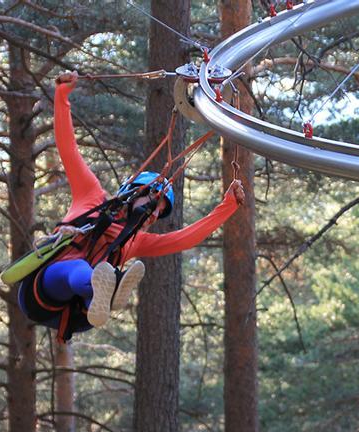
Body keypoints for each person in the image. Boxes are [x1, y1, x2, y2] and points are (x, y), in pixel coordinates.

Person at [18, 71, 244, 342]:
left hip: (79, 314)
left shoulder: (135, 241)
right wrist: (62, 96)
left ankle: (101, 297)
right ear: (131, 192)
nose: (154, 212)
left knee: (101, 274)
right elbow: (69, 150)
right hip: (42, 291)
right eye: (153, 200)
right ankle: (102, 289)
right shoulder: (91, 198)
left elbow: (185, 239)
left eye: (160, 210)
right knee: (78, 270)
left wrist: (229, 206)